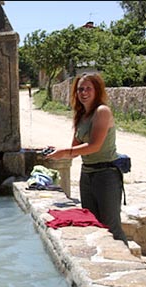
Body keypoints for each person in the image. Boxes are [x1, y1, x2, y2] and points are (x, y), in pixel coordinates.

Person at [45, 73, 128, 246]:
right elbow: (75, 151)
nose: (84, 92)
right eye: (80, 89)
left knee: (111, 226)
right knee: (92, 223)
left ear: (97, 90)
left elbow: (94, 146)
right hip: (87, 174)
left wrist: (64, 152)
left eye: (88, 88)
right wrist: (57, 151)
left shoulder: (102, 111)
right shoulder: (82, 115)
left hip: (106, 175)